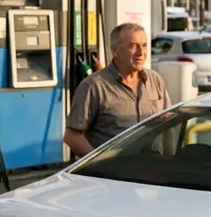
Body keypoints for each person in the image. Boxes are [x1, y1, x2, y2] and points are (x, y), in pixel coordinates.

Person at [64, 22, 170, 158]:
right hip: (114, 170)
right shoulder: (94, 86)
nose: (141, 52)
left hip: (153, 167)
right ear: (114, 51)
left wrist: (171, 160)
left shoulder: (155, 80)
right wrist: (100, 163)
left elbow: (169, 123)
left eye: (144, 46)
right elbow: (72, 136)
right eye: (134, 46)